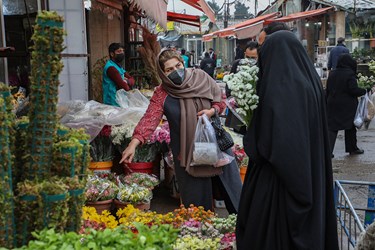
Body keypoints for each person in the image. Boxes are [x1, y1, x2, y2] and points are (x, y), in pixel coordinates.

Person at [237, 31, 339, 249]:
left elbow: (272, 144)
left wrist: (252, 135)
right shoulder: (309, 85)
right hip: (309, 176)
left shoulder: (278, 89)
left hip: (279, 187)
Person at [120, 48, 242, 213]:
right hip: (188, 154)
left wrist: (212, 111)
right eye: (169, 70)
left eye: (178, 66)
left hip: (217, 146)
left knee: (234, 194)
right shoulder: (162, 94)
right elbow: (150, 119)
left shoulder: (201, 77)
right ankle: (201, 235)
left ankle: (245, 232)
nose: (176, 72)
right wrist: (133, 144)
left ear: (183, 63)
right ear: (162, 73)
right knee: (197, 207)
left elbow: (220, 100)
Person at [326, 54, 367, 156]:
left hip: (332, 104)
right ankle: (352, 148)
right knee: (350, 128)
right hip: (347, 106)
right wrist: (364, 90)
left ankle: (328, 152)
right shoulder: (350, 74)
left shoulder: (332, 73)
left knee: (332, 128)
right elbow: (353, 90)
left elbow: (328, 90)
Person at [225, 41, 259, 135]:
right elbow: (229, 83)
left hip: (253, 110)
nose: (250, 60)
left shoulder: (261, 67)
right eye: (248, 57)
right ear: (244, 54)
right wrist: (233, 99)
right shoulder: (237, 64)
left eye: (253, 58)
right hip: (237, 110)